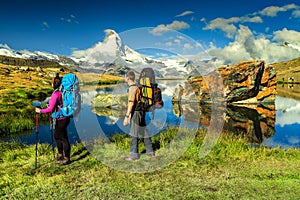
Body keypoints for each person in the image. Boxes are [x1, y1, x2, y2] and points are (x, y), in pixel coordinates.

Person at [35, 74, 71, 165]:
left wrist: (40, 111)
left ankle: (66, 158)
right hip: (63, 117)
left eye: (52, 82)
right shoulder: (60, 92)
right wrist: (51, 106)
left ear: (54, 84)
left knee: (62, 138)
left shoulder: (56, 94)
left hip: (61, 118)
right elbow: (56, 105)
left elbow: (50, 109)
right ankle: (60, 155)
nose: (51, 84)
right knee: (57, 136)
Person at [123, 70, 154, 161]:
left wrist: (127, 116)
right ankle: (150, 151)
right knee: (144, 131)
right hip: (141, 111)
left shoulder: (132, 88)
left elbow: (131, 103)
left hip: (136, 112)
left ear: (128, 78)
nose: (124, 78)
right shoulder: (138, 86)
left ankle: (133, 155)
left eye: (125, 77)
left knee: (133, 133)